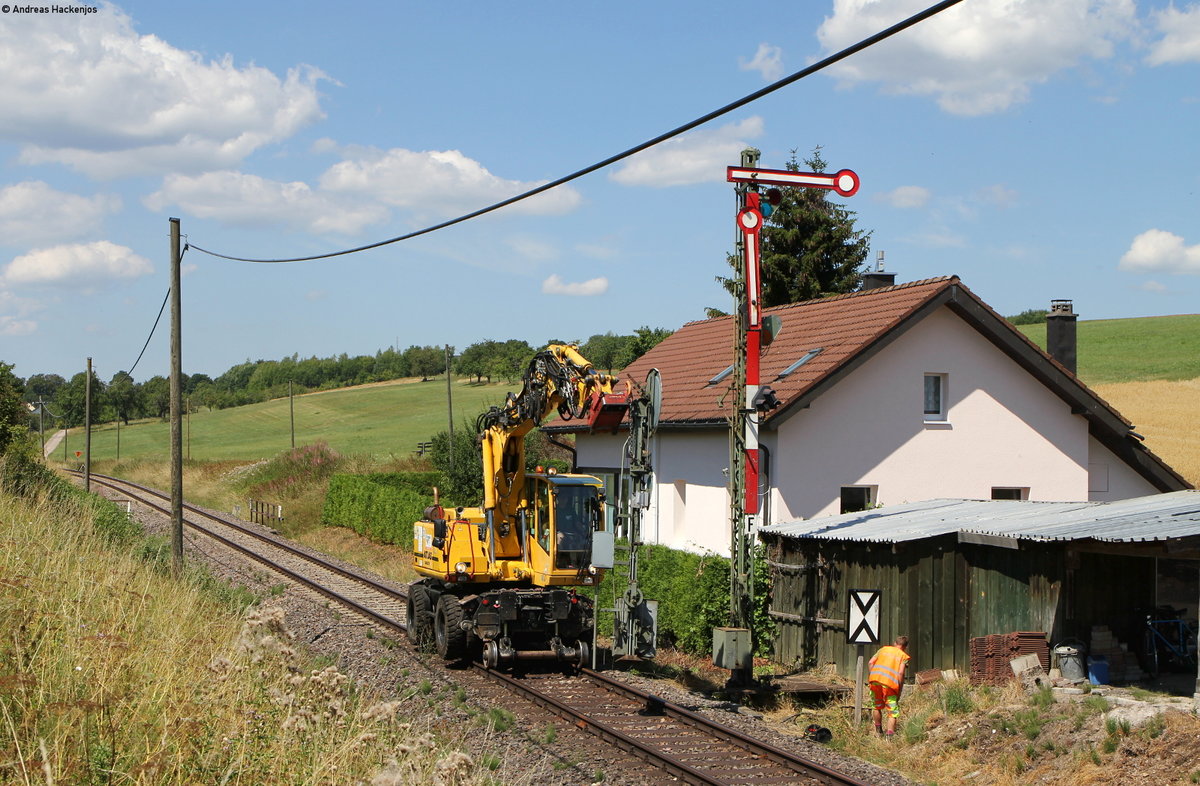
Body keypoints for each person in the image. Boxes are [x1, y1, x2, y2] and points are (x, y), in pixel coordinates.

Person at [868, 635, 911, 739]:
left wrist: (872, 676)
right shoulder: (903, 656)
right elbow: (900, 673)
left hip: (875, 682)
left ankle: (878, 731)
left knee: (876, 706)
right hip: (890, 685)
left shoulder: (883, 650)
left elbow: (870, 662)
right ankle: (889, 737)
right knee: (892, 711)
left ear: (894, 643)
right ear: (905, 647)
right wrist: (900, 688)